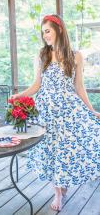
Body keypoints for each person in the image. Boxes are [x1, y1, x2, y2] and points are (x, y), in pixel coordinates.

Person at [12, 14, 100, 211]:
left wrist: (92, 110)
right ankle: (58, 194)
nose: (45, 36)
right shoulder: (42, 55)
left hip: (69, 112)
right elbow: (37, 85)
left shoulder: (75, 56)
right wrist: (20, 95)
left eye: (48, 31)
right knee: (51, 153)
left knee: (66, 152)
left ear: (59, 29)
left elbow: (79, 87)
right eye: (43, 32)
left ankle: (63, 184)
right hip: (47, 113)